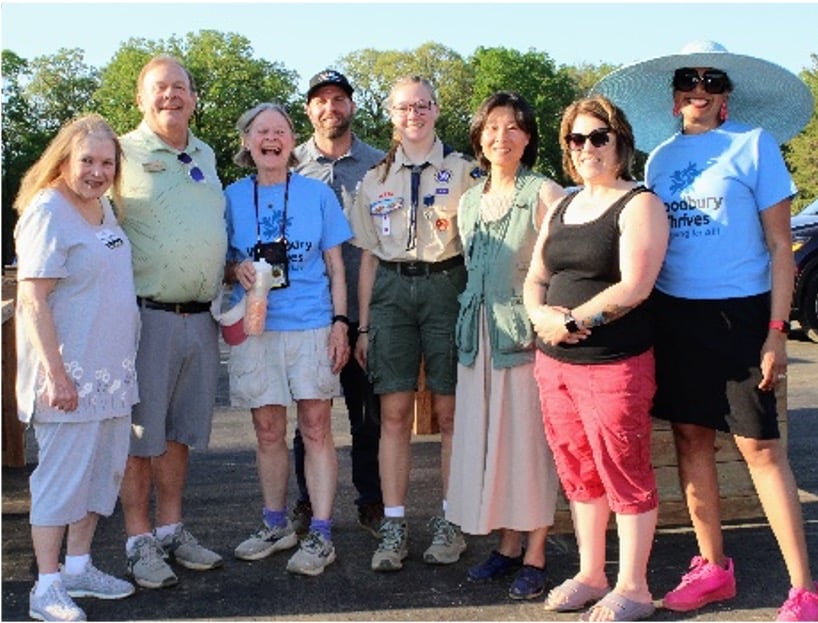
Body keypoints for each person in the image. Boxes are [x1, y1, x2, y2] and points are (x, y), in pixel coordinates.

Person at [592, 40, 818, 621]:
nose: (699, 89)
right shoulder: (660, 159)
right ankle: (714, 568)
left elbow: (779, 247)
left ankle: (802, 589)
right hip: (676, 316)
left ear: (726, 94)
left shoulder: (754, 145)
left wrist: (775, 331)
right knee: (691, 441)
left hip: (742, 316)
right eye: (688, 81)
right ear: (673, 97)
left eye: (711, 81)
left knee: (761, 451)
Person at [523, 95, 669, 622]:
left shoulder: (640, 204)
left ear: (620, 142)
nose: (587, 148)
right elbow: (537, 275)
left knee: (623, 469)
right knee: (579, 470)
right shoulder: (562, 204)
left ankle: (634, 587)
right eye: (576, 139)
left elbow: (635, 285)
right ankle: (591, 573)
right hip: (554, 364)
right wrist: (539, 315)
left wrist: (570, 321)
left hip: (614, 364)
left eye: (598, 137)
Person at [349, 75, 481, 572]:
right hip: (389, 292)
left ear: (437, 109)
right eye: (404, 107)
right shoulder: (375, 178)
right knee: (394, 414)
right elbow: (365, 257)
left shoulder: (464, 172)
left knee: (450, 414)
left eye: (422, 105)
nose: (414, 114)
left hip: (446, 285)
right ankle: (394, 524)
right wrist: (363, 326)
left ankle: (451, 521)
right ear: (390, 113)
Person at [14, 114, 139, 621]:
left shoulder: (103, 209)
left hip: (111, 375)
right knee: (61, 482)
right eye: (86, 160)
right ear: (63, 159)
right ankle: (45, 587)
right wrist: (56, 374)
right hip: (69, 378)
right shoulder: (48, 211)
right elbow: (34, 300)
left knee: (97, 479)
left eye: (106, 162)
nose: (96, 171)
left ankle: (79, 567)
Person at [445, 92, 564, 601]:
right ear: (479, 136)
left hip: (525, 338)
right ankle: (508, 543)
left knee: (528, 444)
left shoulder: (546, 193)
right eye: (492, 127)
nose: (502, 137)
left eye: (514, 127)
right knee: (490, 441)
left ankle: (537, 552)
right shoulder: (469, 200)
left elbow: (562, 269)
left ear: (529, 136)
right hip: (478, 339)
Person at [226, 102, 352, 576]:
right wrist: (231, 269)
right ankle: (275, 524)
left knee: (318, 428)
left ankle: (320, 533)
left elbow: (337, 266)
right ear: (247, 141)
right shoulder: (232, 196)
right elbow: (221, 261)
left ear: (291, 141)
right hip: (258, 328)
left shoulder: (317, 195)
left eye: (280, 131)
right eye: (262, 131)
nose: (271, 139)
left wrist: (341, 322)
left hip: (312, 324)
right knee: (268, 431)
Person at [117, 55, 228, 589]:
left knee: (179, 433)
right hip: (146, 318)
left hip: (200, 319)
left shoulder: (204, 153)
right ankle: (138, 542)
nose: (171, 96)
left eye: (180, 87)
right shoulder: (119, 152)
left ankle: (170, 530)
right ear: (141, 99)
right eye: (159, 88)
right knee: (142, 434)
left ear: (193, 97)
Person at [291, 69, 386, 538]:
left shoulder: (378, 163)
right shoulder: (289, 163)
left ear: (352, 106)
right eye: (321, 100)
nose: (331, 108)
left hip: (366, 309)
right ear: (309, 110)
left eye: (339, 99)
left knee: (368, 415)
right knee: (309, 418)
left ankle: (371, 500)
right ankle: (306, 501)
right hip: (308, 312)